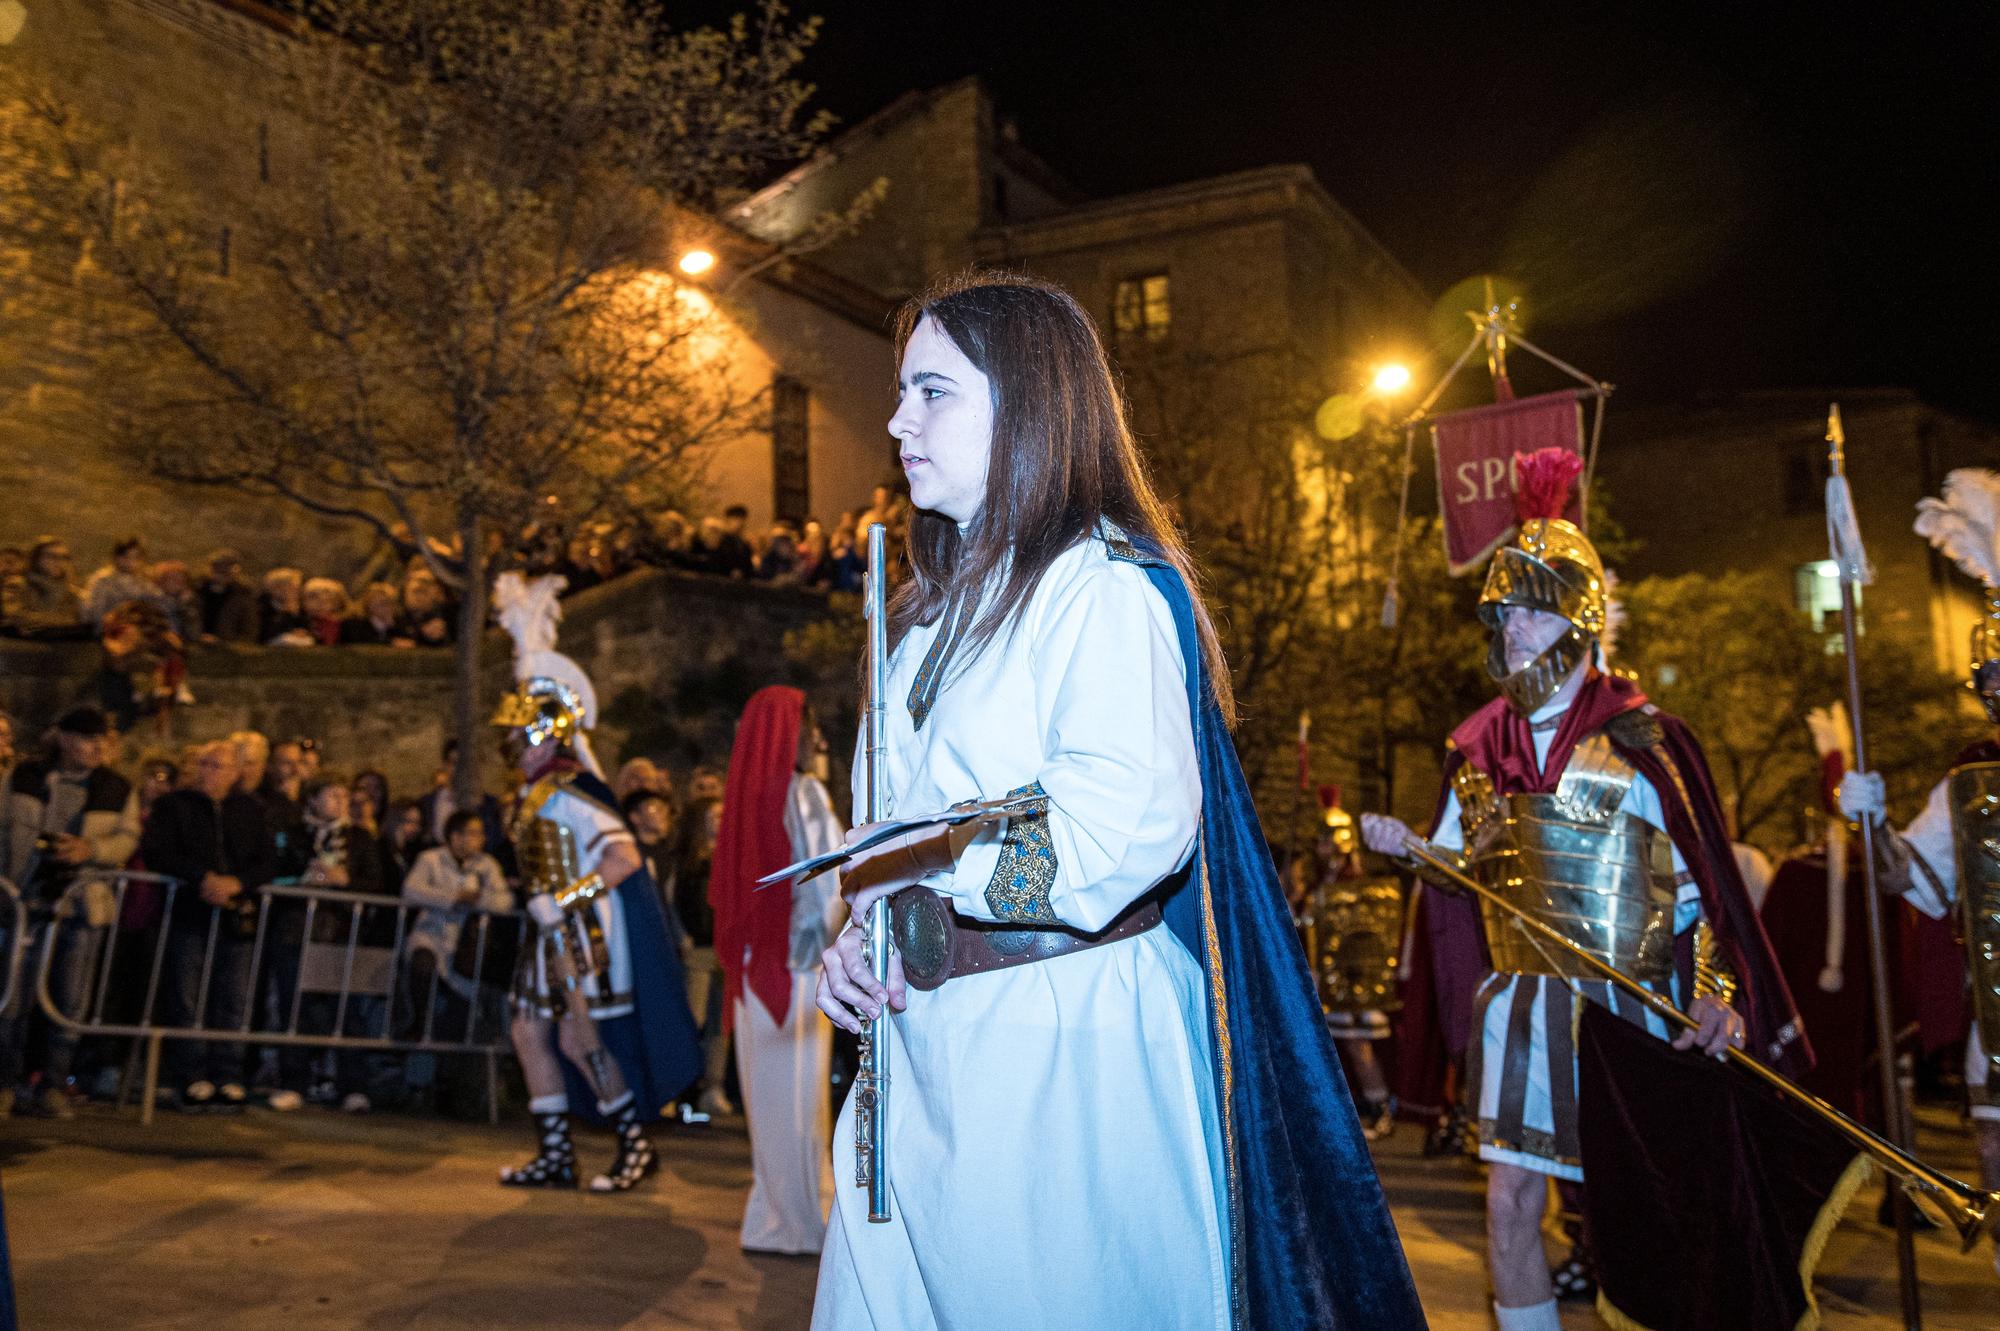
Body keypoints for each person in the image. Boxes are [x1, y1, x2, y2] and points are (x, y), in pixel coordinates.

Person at [810, 275, 1423, 1331]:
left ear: (1027, 403)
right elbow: (884, 834)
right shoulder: (916, 624)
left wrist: (929, 861)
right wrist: (858, 938)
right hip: (920, 1052)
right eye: (901, 391)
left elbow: (1114, 834)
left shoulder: (1100, 590)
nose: (895, 419)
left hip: (1061, 1051)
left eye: (931, 390)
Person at [1360, 448, 1804, 1331]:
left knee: (1647, 1215)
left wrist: (1718, 992)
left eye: (1532, 604)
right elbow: (1457, 871)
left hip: (1628, 1004)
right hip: (1522, 1004)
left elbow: (1699, 892)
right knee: (1511, 1199)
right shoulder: (1479, 748)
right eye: (1505, 606)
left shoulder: (1645, 738)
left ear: (1580, 615)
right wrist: (1411, 848)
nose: (1512, 623)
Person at [1836, 466, 2000, 1279]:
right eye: (1993, 679)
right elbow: (1910, 879)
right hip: (1998, 1021)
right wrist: (1869, 822)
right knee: (1996, 1155)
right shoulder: (1970, 777)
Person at [490, 570, 701, 1192]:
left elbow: (623, 859)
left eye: (519, 731)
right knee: (529, 1028)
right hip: (547, 931)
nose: (509, 740)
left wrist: (564, 898)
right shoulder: (532, 795)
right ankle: (556, 1152)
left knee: (583, 1036)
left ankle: (636, 1144)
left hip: (582, 932)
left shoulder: (571, 794)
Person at [711, 687, 845, 1254]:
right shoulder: (805, 792)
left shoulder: (746, 796)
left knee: (769, 1105)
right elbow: (827, 885)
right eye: (810, 728)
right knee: (797, 1100)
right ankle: (800, 1224)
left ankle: (770, 1217)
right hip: (793, 964)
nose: (819, 740)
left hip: (751, 968)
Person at [1, 707, 140, 1117]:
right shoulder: (24, 778)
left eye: (103, 740)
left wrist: (89, 850)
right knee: (13, 1000)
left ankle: (53, 1084)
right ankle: (6, 1082)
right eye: (87, 738)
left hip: (81, 906)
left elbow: (126, 838)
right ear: (64, 739)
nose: (97, 747)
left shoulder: (115, 787)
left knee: (69, 1000)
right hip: (26, 901)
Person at [138, 740, 275, 1112]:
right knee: (187, 996)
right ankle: (191, 1074)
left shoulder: (251, 810)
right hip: (190, 913)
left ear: (235, 773)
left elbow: (267, 861)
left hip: (236, 916)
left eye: (218, 766)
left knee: (234, 997)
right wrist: (202, 878)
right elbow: (158, 852)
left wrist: (237, 883)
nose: (208, 772)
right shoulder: (174, 806)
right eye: (204, 764)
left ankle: (227, 1073)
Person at [399, 810, 512, 1041]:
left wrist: (478, 900)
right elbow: (412, 890)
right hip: (431, 933)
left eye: (479, 834)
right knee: (423, 965)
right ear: (454, 835)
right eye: (471, 833)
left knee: (459, 1005)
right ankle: (418, 1020)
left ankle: (445, 1059)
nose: (477, 839)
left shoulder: (487, 865)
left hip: (464, 945)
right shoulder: (430, 859)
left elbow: (504, 901)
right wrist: (453, 897)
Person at [198, 549, 260, 643]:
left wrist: (226, 642)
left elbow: (249, 627)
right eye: (218, 569)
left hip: (228, 648)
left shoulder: (243, 595)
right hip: (198, 643)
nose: (222, 574)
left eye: (226, 570)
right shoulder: (199, 590)